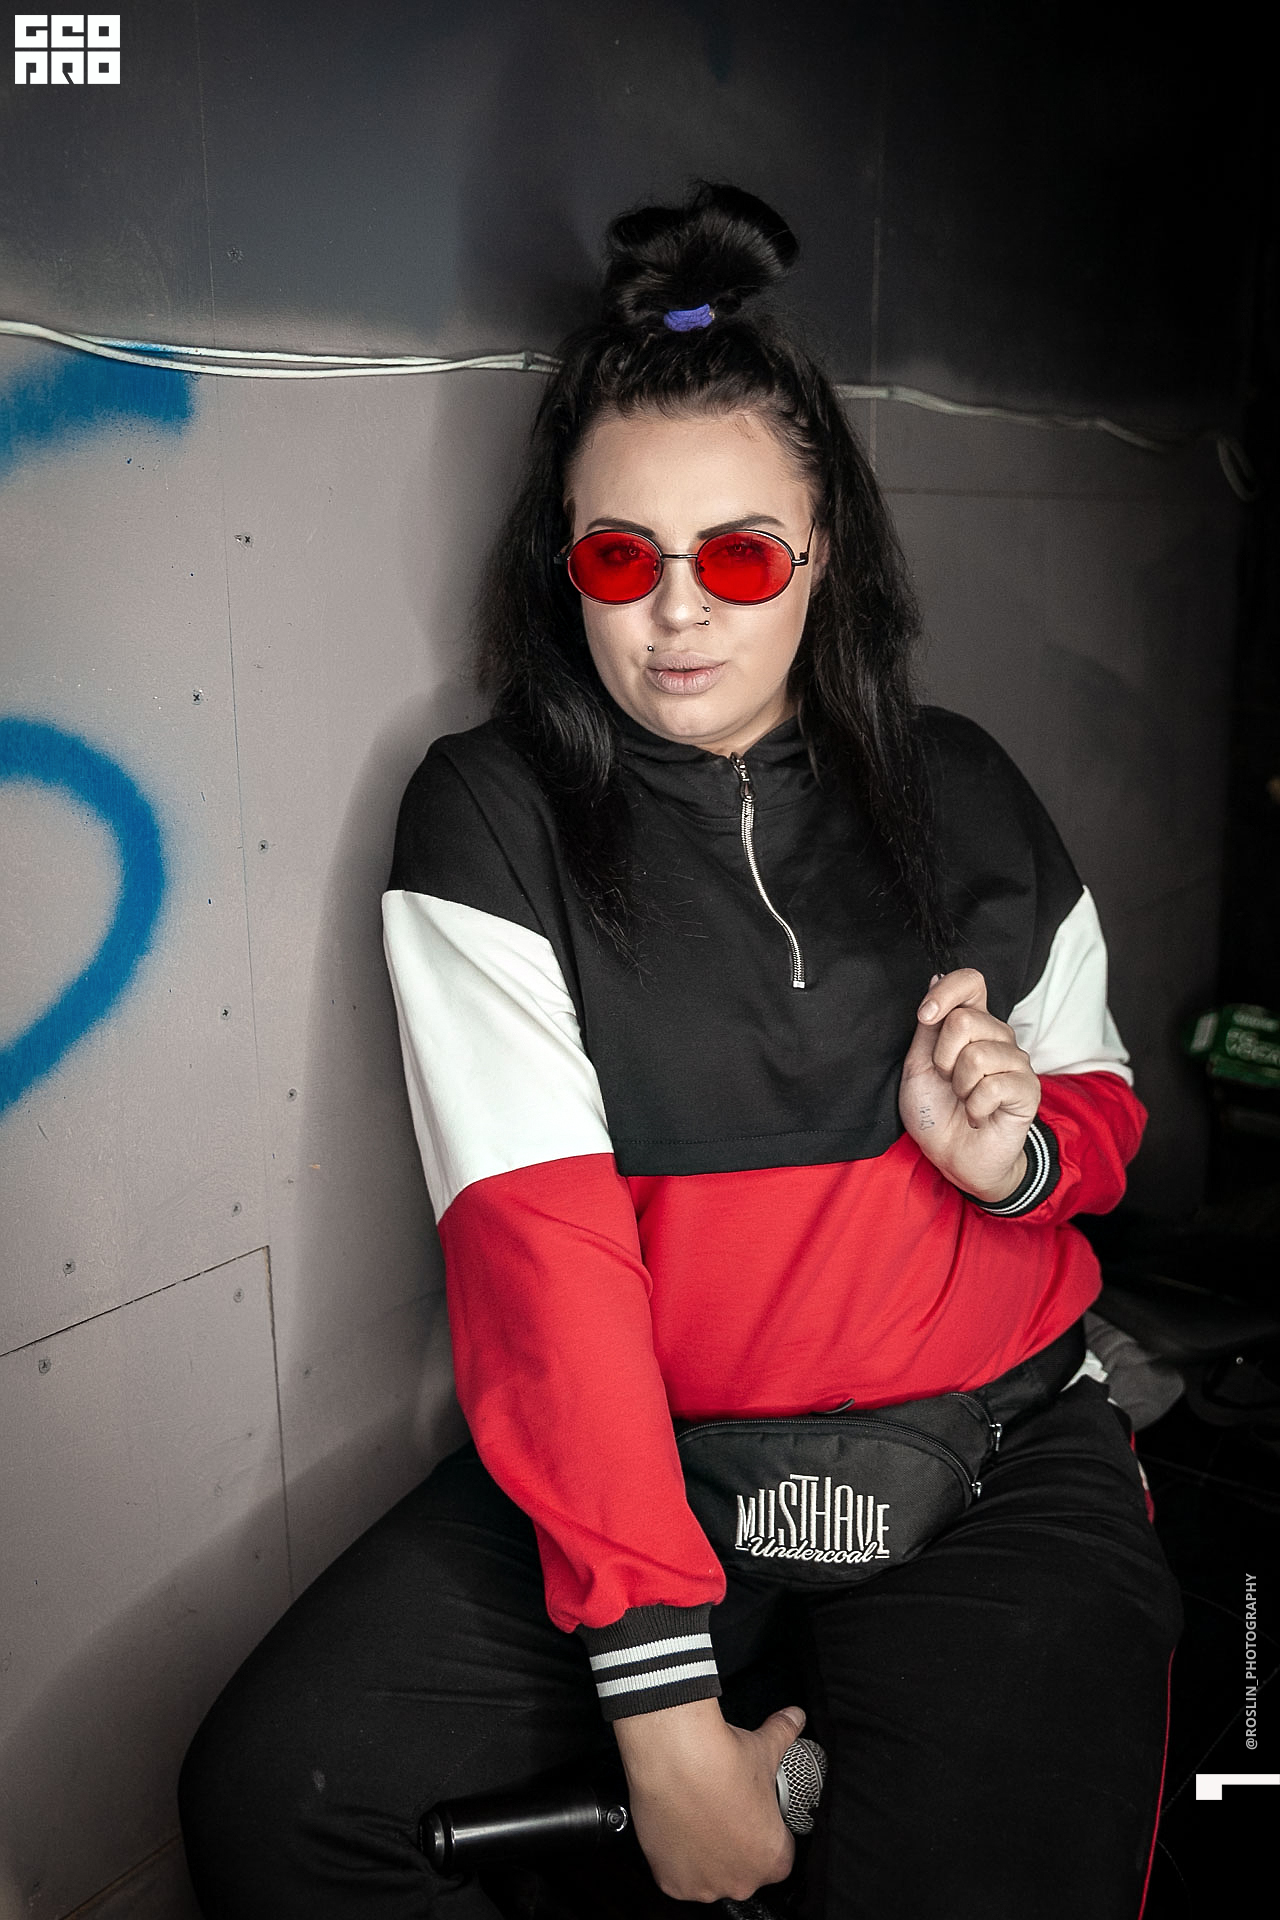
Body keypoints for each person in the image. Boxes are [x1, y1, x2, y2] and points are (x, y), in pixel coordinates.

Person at [177, 182, 1182, 1919]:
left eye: (739, 556)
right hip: (673, 1471)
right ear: (563, 562)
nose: (676, 614)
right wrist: (662, 1723)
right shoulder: (492, 816)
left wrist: (1012, 1154)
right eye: (619, 558)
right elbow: (542, 1271)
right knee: (278, 1800)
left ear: (822, 554)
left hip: (994, 1454)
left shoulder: (966, 787)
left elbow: (1100, 1114)